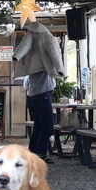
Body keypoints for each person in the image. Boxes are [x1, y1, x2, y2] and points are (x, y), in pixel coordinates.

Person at [14, 21, 64, 162]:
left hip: (32, 96)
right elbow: (54, 57)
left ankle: (32, 154)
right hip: (43, 95)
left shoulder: (31, 60)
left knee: (38, 126)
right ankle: (40, 155)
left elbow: (26, 83)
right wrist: (60, 70)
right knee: (47, 127)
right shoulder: (44, 60)